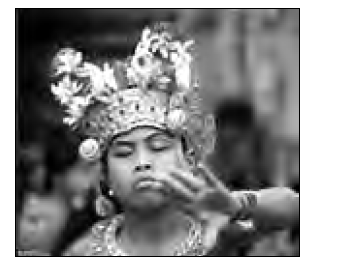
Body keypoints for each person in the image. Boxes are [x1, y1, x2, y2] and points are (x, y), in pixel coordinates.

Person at [48, 23, 299, 256]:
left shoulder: (215, 231)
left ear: (187, 159)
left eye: (158, 147)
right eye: (124, 152)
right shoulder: (83, 252)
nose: (143, 162)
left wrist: (236, 205)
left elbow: (294, 207)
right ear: (104, 175)